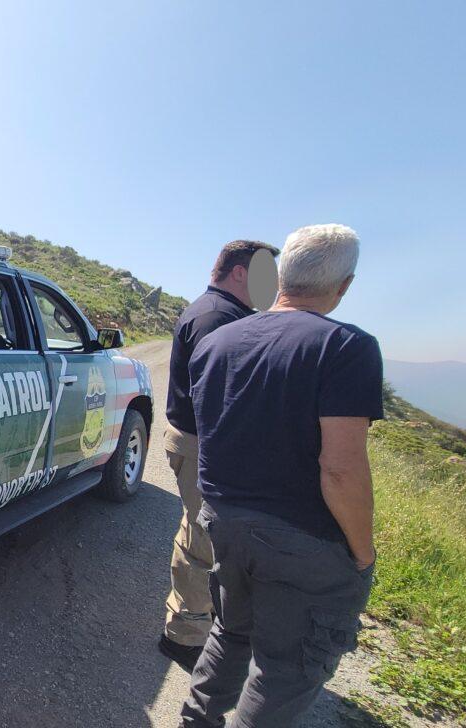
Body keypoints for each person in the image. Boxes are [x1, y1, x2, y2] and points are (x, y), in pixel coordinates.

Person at [180, 224, 382, 727]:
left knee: (230, 633)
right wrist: (363, 552)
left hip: (224, 518)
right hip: (301, 538)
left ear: (282, 275)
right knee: (284, 670)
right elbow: (340, 470)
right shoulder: (346, 347)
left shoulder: (219, 342)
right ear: (344, 286)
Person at [160, 240, 280, 670]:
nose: (274, 287)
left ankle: (195, 622)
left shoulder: (221, 313)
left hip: (199, 441)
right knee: (201, 541)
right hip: (203, 444)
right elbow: (218, 397)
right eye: (268, 275)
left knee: (199, 531)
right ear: (240, 273)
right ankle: (185, 637)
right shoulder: (217, 319)